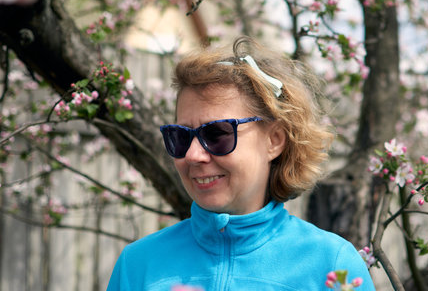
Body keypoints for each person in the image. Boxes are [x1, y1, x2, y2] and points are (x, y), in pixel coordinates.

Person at [107, 37, 375, 290]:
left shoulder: (331, 265)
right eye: (181, 136)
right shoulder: (138, 265)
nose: (193, 155)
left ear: (275, 140)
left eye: (217, 133)